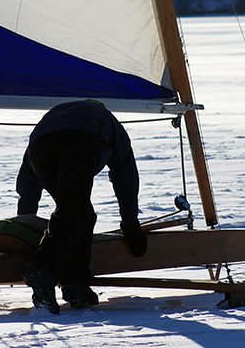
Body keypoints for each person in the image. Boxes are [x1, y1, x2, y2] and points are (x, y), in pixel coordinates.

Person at [16, 100, 148, 314]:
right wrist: (131, 227)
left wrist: (23, 227)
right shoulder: (109, 122)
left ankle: (76, 284)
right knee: (75, 210)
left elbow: (28, 183)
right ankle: (43, 269)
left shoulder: (59, 115)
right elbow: (126, 179)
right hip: (78, 141)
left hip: (38, 147)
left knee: (80, 212)